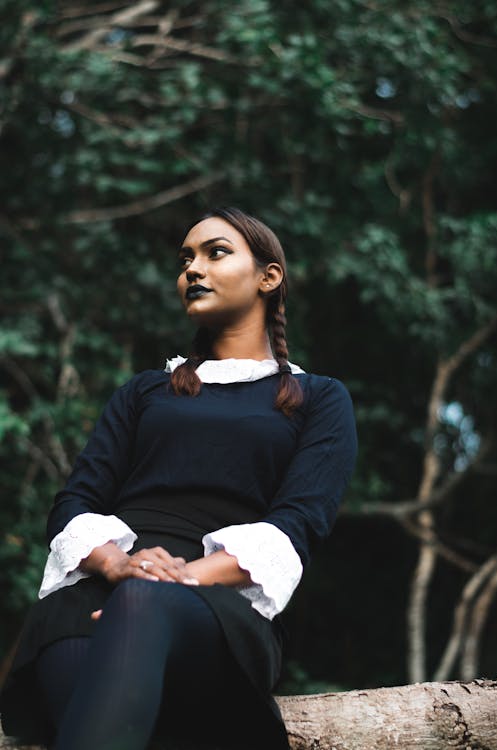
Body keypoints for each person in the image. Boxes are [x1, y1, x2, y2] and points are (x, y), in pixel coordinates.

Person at [0, 206, 357, 750]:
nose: (193, 268)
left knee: (143, 605)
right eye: (186, 259)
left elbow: (297, 525)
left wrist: (171, 580)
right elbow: (74, 504)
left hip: (219, 607)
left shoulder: (319, 398)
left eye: (215, 253)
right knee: (87, 667)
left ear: (269, 276)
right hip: (95, 591)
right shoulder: (145, 390)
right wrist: (120, 565)